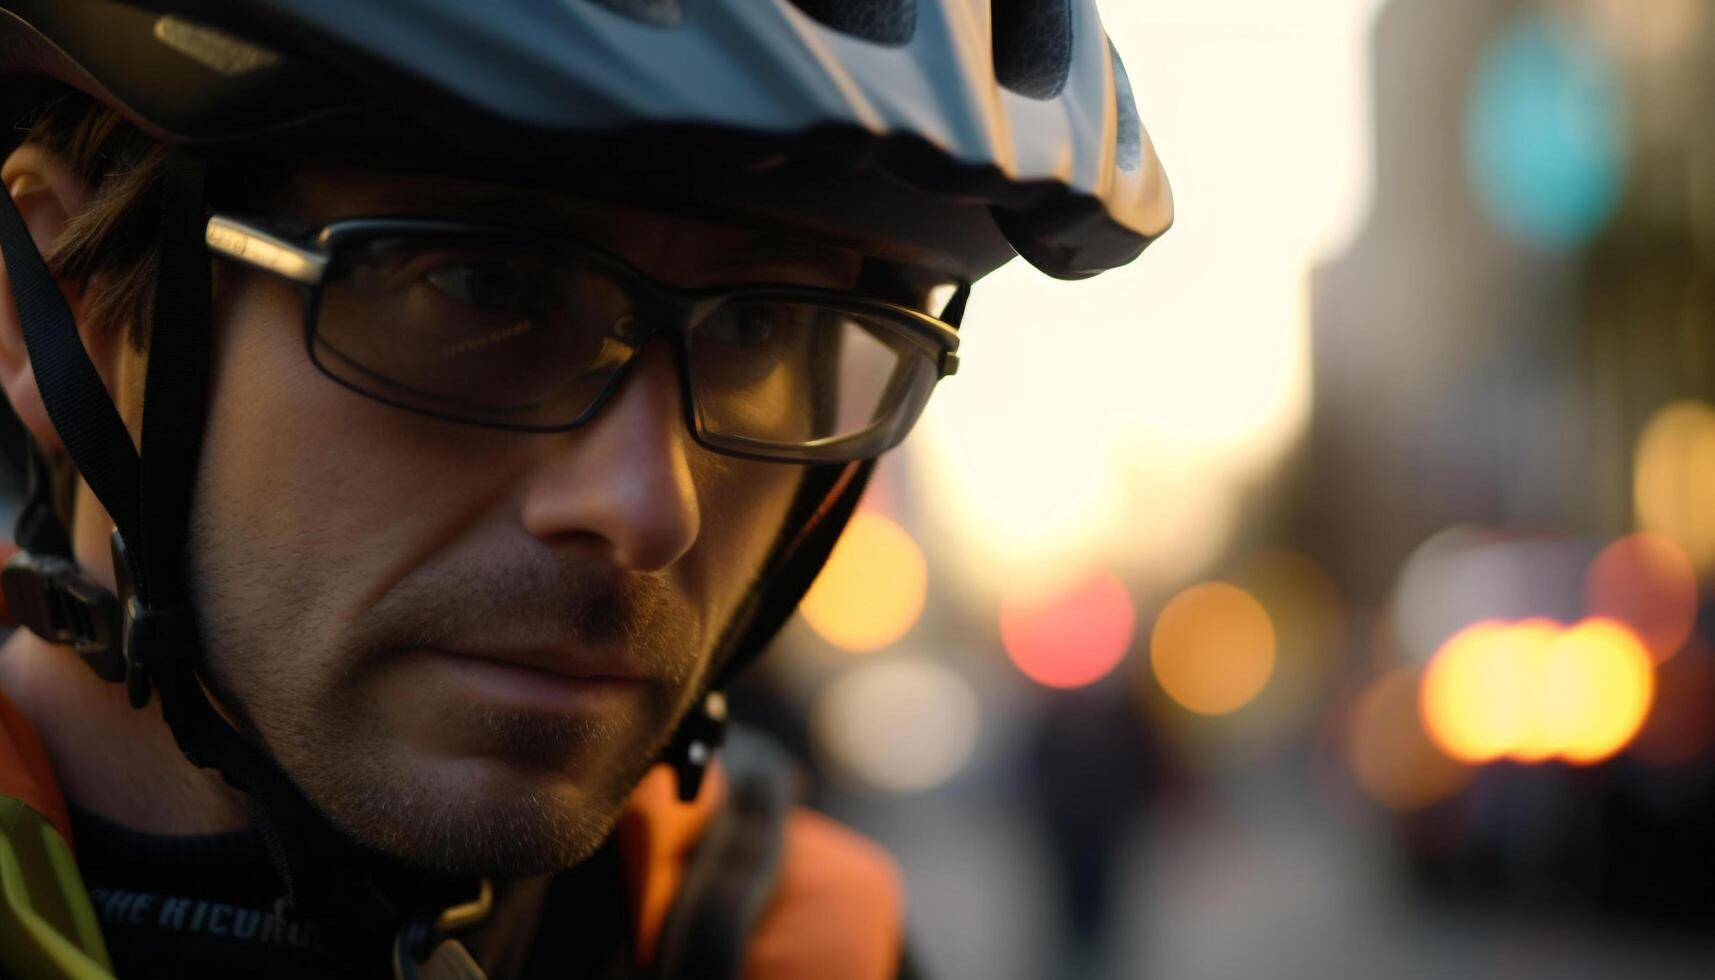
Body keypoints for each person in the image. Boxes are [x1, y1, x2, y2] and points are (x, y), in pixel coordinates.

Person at [0, 1, 1172, 977]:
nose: (650, 506)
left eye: (761, 327)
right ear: (64, 304)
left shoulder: (817, 946)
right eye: (480, 284)